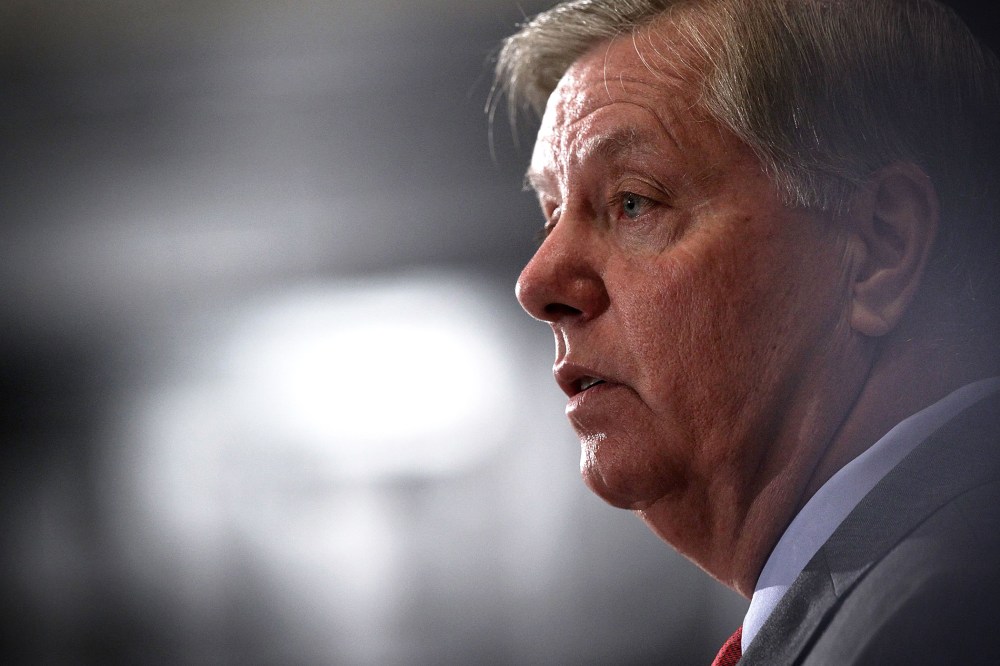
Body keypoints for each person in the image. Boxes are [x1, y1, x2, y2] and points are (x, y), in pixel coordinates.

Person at [494, 0, 1000, 663]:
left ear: (879, 247)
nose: (537, 283)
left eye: (633, 201)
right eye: (551, 214)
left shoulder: (936, 619)